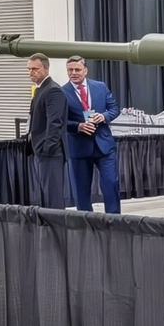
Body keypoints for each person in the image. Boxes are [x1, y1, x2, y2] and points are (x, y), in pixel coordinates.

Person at [63, 55, 121, 214]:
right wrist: (78, 126)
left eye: (77, 70)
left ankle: (114, 220)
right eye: (70, 70)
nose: (73, 73)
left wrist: (104, 116)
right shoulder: (61, 92)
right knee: (81, 191)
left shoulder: (100, 87)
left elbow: (114, 109)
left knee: (111, 184)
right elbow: (60, 121)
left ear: (86, 70)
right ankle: (86, 222)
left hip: (104, 146)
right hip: (79, 148)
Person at [26, 53, 68, 209]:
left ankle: (55, 223)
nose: (31, 72)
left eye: (35, 69)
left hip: (50, 152)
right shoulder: (41, 90)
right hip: (41, 151)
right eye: (29, 69)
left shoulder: (52, 90)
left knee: (53, 196)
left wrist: (47, 149)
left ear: (46, 69)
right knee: (46, 194)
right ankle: (48, 221)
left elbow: (55, 123)